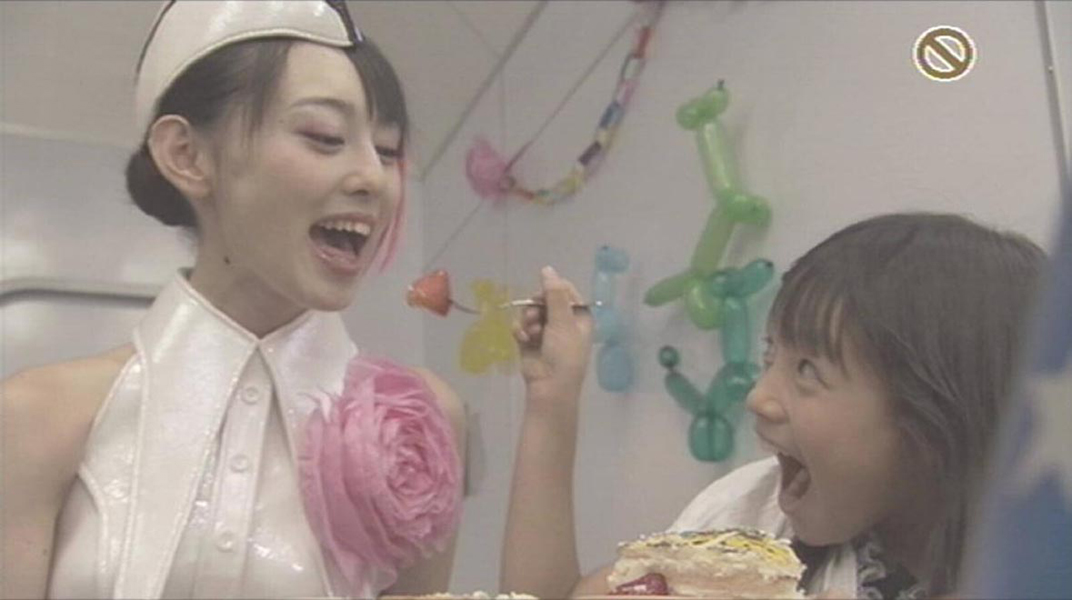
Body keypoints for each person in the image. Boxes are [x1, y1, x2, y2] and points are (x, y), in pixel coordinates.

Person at [0, 3, 588, 598]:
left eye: (387, 151)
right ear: (186, 155)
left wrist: (553, 405)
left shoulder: (422, 422)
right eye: (324, 137)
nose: (374, 179)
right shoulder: (38, 416)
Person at [502, 212, 1047, 599]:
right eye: (770, 356)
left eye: (808, 370)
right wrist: (552, 397)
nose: (758, 397)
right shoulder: (753, 518)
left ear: (932, 424)